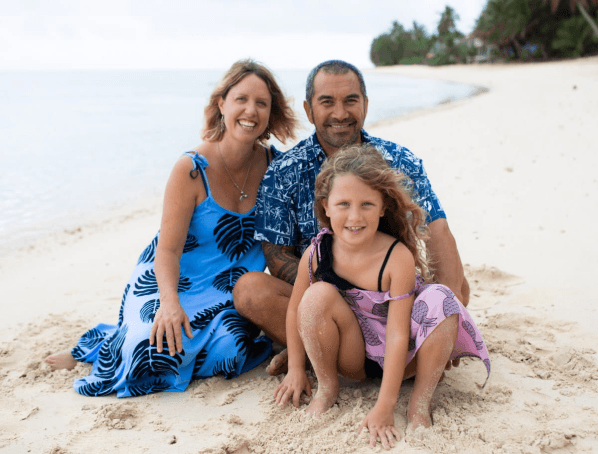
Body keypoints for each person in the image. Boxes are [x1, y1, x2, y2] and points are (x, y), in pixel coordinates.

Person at [44, 59, 298, 397]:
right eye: (241, 99)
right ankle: (102, 344)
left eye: (261, 103)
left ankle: (133, 337)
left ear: (270, 113)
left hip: (228, 292)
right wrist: (169, 303)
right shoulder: (191, 169)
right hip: (170, 280)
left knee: (233, 351)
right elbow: (167, 249)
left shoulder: (275, 168)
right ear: (221, 103)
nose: (250, 110)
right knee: (146, 347)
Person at [233, 59, 469, 374]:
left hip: (393, 300)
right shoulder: (284, 170)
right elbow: (275, 256)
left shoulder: (398, 160)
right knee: (250, 291)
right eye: (327, 102)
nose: (340, 113)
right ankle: (318, 345)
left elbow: (437, 230)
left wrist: (447, 315)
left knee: (456, 289)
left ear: (366, 105)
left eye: (351, 101)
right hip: (324, 300)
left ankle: (413, 355)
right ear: (309, 109)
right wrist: (347, 290)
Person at [273, 145, 490, 448]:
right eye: (343, 204)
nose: (354, 216)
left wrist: (385, 406)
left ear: (383, 206)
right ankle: (328, 389)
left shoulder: (395, 257)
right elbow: (296, 309)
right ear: (326, 206)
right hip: (352, 356)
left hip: (403, 360)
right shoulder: (316, 253)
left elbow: (399, 335)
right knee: (315, 296)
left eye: (366, 204)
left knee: (442, 297)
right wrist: (297, 368)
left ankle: (419, 405)